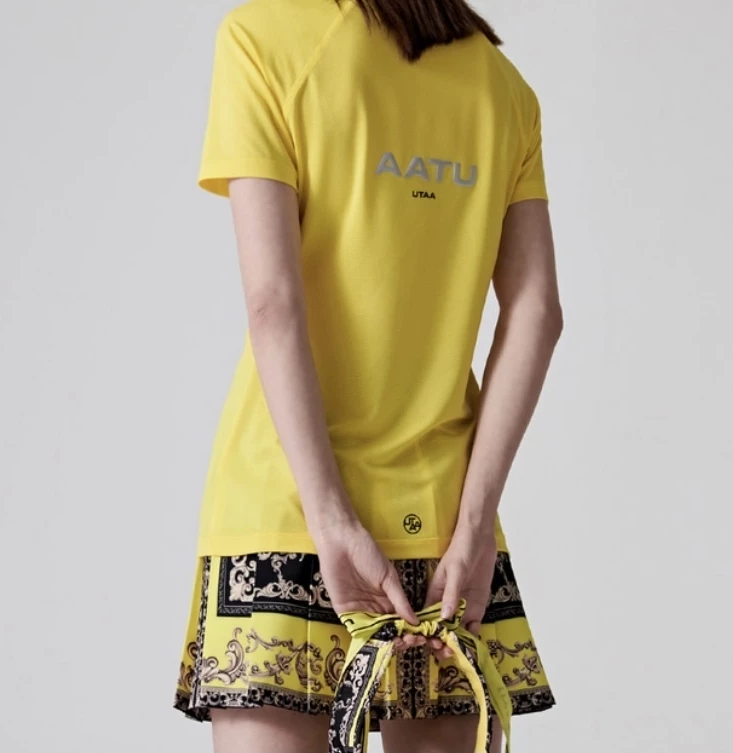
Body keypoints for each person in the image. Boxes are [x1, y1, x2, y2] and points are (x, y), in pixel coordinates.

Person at [173, 0, 563, 751]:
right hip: (446, 527)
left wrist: (331, 520)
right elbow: (537, 312)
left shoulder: (264, 40)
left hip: (288, 508)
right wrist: (475, 524)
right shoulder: (502, 87)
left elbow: (273, 302)